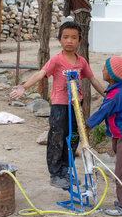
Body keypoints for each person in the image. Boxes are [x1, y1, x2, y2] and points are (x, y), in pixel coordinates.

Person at [10, 21, 105, 189]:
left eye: (74, 38)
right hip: (60, 107)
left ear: (80, 41)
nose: (69, 41)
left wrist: (106, 95)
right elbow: (41, 73)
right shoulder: (56, 60)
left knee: (73, 138)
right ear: (60, 40)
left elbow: (92, 79)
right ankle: (55, 174)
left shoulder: (81, 62)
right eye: (65, 37)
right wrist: (24, 87)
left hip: (76, 106)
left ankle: (66, 171)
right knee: (57, 139)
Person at [86, 56, 122, 216]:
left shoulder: (115, 95)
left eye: (105, 68)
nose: (102, 70)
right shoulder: (114, 91)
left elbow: (103, 112)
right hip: (121, 135)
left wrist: (87, 125)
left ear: (112, 74)